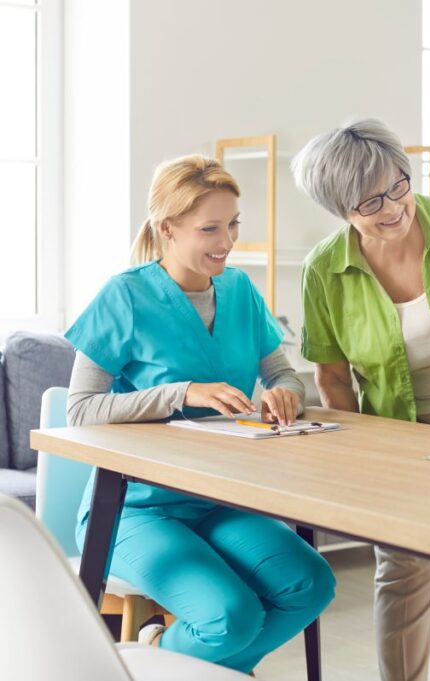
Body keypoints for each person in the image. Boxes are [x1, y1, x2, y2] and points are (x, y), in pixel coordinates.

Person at [65, 156, 336, 674]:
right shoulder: (125, 296)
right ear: (167, 229)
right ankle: (153, 667)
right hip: (137, 508)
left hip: (222, 499)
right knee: (230, 618)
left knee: (310, 584)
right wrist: (180, 392)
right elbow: (81, 411)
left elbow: (282, 372)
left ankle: (173, 664)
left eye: (233, 224)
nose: (227, 241)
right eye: (210, 228)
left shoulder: (239, 292)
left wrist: (285, 394)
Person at [292, 119, 430, 681]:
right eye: (370, 202)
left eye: (399, 186)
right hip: (398, 434)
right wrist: (352, 458)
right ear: (340, 208)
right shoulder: (325, 269)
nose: (393, 207)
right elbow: (334, 377)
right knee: (403, 570)